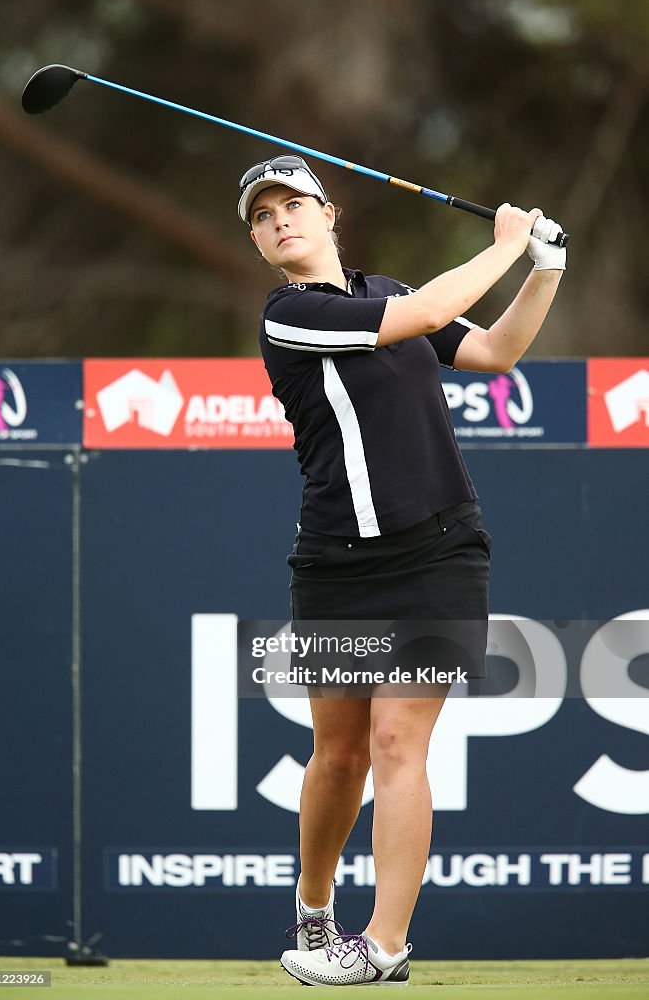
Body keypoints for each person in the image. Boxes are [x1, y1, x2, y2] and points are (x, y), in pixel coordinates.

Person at [237, 155, 565, 987]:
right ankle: (315, 912)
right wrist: (505, 244)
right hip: (337, 565)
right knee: (338, 756)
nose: (280, 220)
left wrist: (544, 269)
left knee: (395, 740)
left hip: (439, 550)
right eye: (262, 216)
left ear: (329, 212)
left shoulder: (377, 285)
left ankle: (382, 947)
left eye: (293, 204)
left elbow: (491, 353)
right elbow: (422, 311)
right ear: (257, 242)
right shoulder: (291, 314)